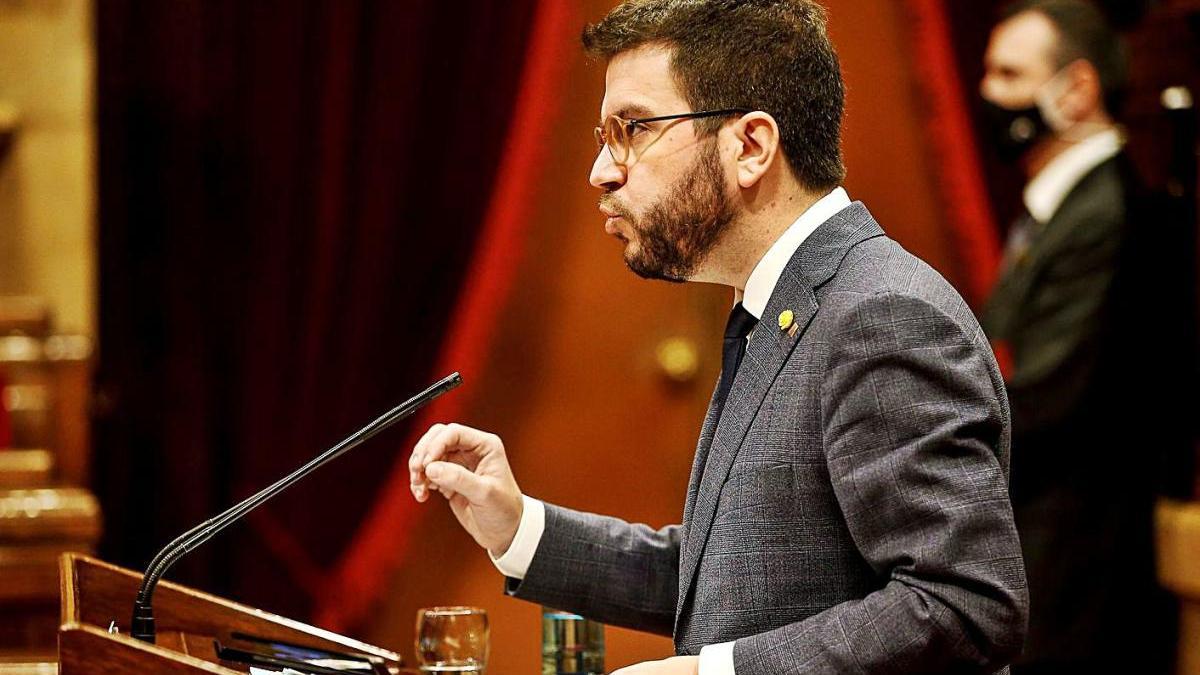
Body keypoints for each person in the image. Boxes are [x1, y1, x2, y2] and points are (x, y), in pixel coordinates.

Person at [410, 1, 1028, 673]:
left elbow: (965, 605)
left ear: (752, 145)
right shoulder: (785, 307)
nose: (602, 170)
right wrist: (519, 527)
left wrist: (718, 672)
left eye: (633, 129)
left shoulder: (880, 315)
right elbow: (735, 576)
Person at [979, 1, 1176, 673]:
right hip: (1040, 539)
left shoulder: (1106, 210)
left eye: (1009, 73)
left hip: (1075, 554)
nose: (989, 93)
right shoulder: (1055, 202)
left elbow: (1047, 399)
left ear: (1078, 89)